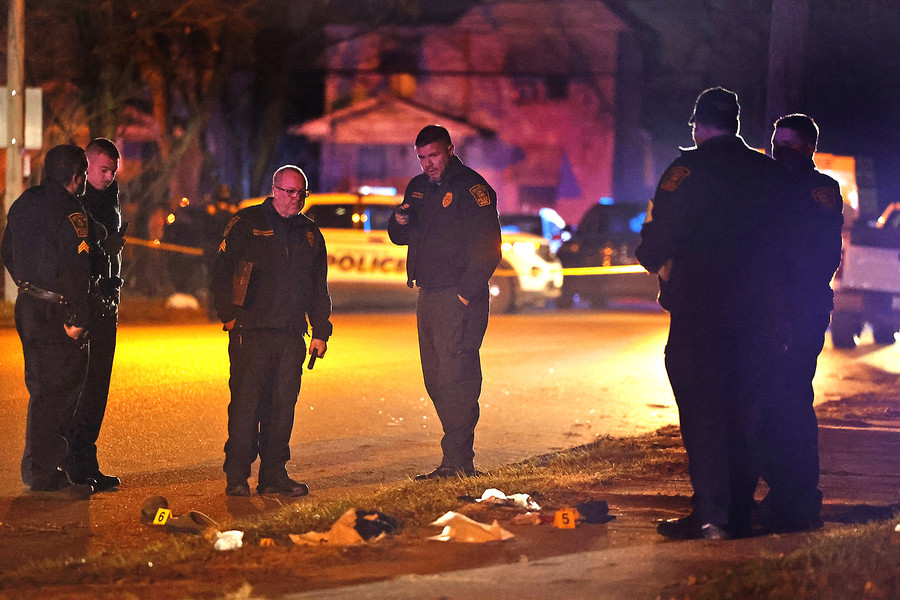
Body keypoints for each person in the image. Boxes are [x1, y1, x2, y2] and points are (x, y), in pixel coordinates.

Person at [635, 88, 789, 539]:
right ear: (736, 125)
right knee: (746, 412)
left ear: (698, 126)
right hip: (759, 316)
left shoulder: (685, 171)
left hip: (700, 313)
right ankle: (739, 513)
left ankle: (710, 514)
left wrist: (647, 252)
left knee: (703, 414)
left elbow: (657, 241)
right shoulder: (768, 172)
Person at [387, 125, 502, 480]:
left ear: (450, 150)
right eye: (421, 157)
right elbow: (400, 236)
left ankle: (457, 462)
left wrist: (465, 294)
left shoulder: (473, 188)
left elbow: (489, 247)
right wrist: (400, 219)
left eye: (433, 155)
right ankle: (454, 459)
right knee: (435, 378)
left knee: (458, 376)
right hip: (428, 294)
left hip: (459, 296)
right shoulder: (418, 188)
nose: (428, 164)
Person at [211, 165, 332, 497]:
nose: (295, 199)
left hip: (291, 335)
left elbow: (318, 287)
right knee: (246, 406)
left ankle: (273, 475)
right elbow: (221, 272)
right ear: (275, 190)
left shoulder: (310, 234)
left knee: (282, 409)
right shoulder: (247, 223)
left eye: (301, 193)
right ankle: (237, 476)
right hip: (251, 332)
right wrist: (229, 316)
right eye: (290, 192)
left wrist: (320, 330)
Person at [759, 114, 843, 532]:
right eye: (777, 141)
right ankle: (785, 495)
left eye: (789, 144)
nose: (780, 150)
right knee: (774, 404)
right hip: (774, 309)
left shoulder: (819, 190)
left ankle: (799, 498)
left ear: (808, 148)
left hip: (800, 309)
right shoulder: (769, 181)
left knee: (789, 402)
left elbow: (819, 255)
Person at [2, 144, 94, 497]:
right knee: (61, 390)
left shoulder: (24, 203)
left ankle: (37, 467)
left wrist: (28, 286)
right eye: (84, 173)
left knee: (41, 388)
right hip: (57, 310)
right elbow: (77, 267)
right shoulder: (72, 211)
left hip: (28, 306)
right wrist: (77, 317)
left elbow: (7, 252)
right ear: (75, 175)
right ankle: (46, 473)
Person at [63, 138, 125, 491]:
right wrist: (100, 246)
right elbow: (77, 248)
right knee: (79, 388)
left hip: (106, 301)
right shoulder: (74, 199)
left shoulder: (109, 195)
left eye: (113, 170)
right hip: (83, 303)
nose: (108, 176)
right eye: (102, 169)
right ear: (85, 165)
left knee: (97, 387)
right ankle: (70, 462)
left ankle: (86, 461)